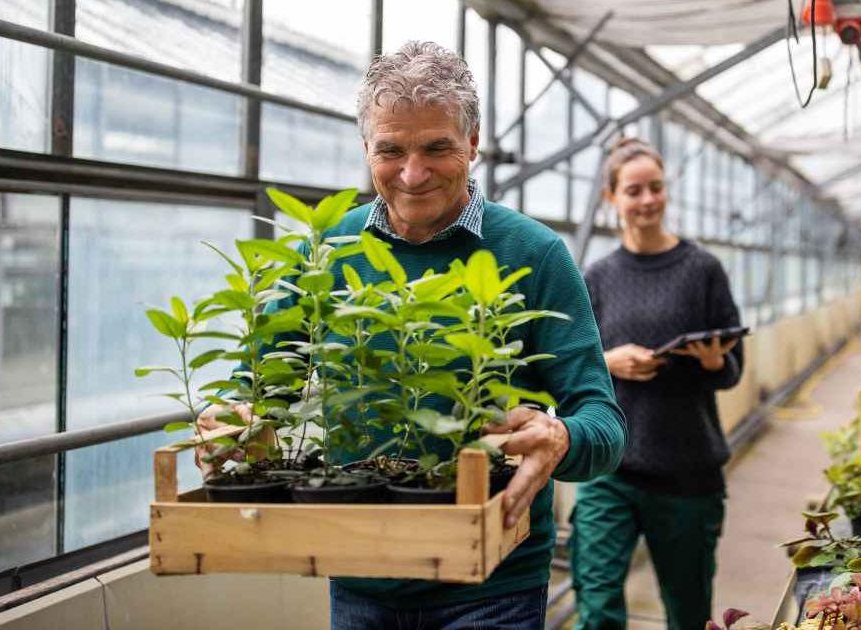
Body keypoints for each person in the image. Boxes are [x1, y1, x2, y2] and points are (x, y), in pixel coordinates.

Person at [196, 41, 626, 629]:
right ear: (366, 149)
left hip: (491, 582)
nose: (413, 173)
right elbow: (262, 387)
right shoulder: (328, 252)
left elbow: (604, 425)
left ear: (473, 143)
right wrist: (237, 420)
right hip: (359, 574)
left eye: (437, 148)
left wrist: (560, 437)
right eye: (390, 150)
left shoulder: (534, 253)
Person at [570, 137, 744, 630]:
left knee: (687, 613)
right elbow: (573, 366)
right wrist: (610, 362)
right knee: (598, 607)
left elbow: (734, 370)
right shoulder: (596, 277)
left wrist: (713, 362)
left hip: (687, 470)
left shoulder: (702, 270)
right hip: (610, 470)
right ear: (612, 198)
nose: (647, 200)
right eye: (634, 190)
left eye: (656, 188)